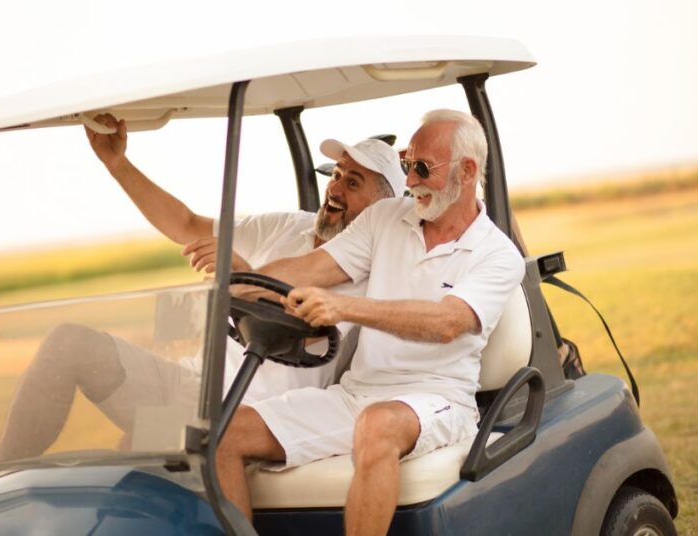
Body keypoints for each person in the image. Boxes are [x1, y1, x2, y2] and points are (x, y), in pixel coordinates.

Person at [0, 114, 405, 509]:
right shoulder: (288, 226)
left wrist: (247, 275)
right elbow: (184, 224)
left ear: (384, 206)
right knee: (70, 344)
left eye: (354, 180)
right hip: (187, 389)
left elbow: (313, 332)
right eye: (337, 174)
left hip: (256, 418)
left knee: (124, 471)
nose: (335, 186)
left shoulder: (377, 272)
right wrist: (117, 164)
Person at [216, 109, 526, 536]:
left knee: (377, 424)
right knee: (225, 431)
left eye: (421, 169)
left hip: (438, 399)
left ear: (467, 171)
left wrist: (345, 309)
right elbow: (314, 268)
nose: (411, 180)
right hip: (357, 395)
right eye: (406, 166)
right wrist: (233, 289)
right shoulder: (386, 219)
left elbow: (446, 322)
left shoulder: (497, 254)